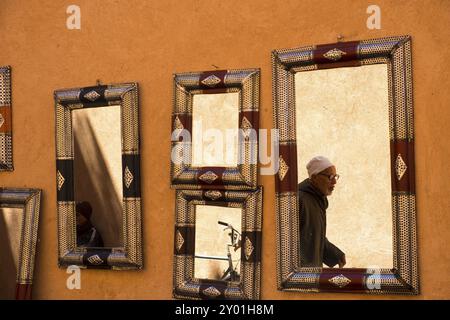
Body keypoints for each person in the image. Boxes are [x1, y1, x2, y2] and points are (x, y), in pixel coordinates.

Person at [298, 156, 346, 268]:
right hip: (301, 276)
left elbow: (314, 236)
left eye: (335, 176)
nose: (334, 181)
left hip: (311, 273)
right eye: (330, 177)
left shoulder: (318, 200)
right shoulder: (299, 200)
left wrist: (335, 254)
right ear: (314, 178)